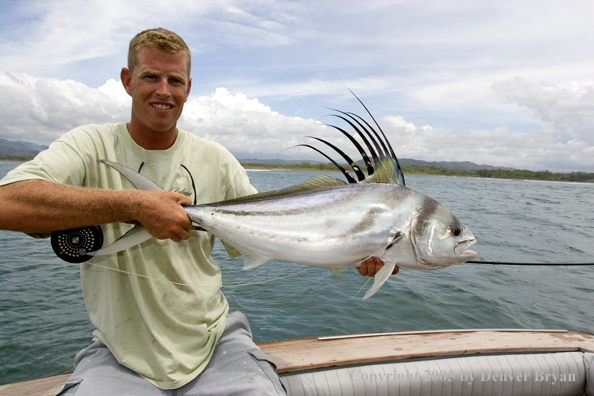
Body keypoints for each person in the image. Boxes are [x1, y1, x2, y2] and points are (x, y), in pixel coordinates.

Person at [0, 28, 396, 395]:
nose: (164, 90)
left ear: (188, 88)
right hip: (119, 352)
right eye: (151, 76)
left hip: (215, 342)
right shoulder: (89, 145)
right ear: (127, 80)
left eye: (175, 81)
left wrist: (353, 245)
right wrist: (136, 205)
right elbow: (8, 203)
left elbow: (278, 231)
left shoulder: (217, 160)